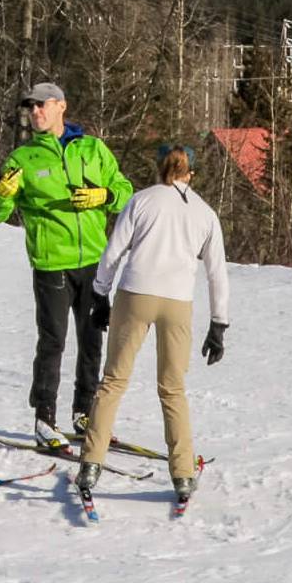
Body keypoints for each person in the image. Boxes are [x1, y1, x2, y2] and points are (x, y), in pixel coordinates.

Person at [77, 143, 229, 504]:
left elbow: (113, 251)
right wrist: (219, 324)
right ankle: (182, 474)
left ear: (159, 168)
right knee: (172, 388)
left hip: (135, 295)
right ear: (191, 172)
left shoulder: (141, 201)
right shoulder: (205, 213)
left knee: (113, 381)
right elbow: (217, 273)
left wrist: (100, 295)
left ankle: (90, 464)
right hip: (177, 302)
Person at [0, 81, 132, 438]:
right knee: (53, 341)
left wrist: (102, 195)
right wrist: (1, 193)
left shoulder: (93, 149)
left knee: (92, 340)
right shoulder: (24, 158)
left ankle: (84, 413)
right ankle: (44, 418)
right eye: (30, 108)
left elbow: (126, 194)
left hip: (94, 262)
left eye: (41, 106)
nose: (35, 113)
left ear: (61, 107)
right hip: (51, 264)